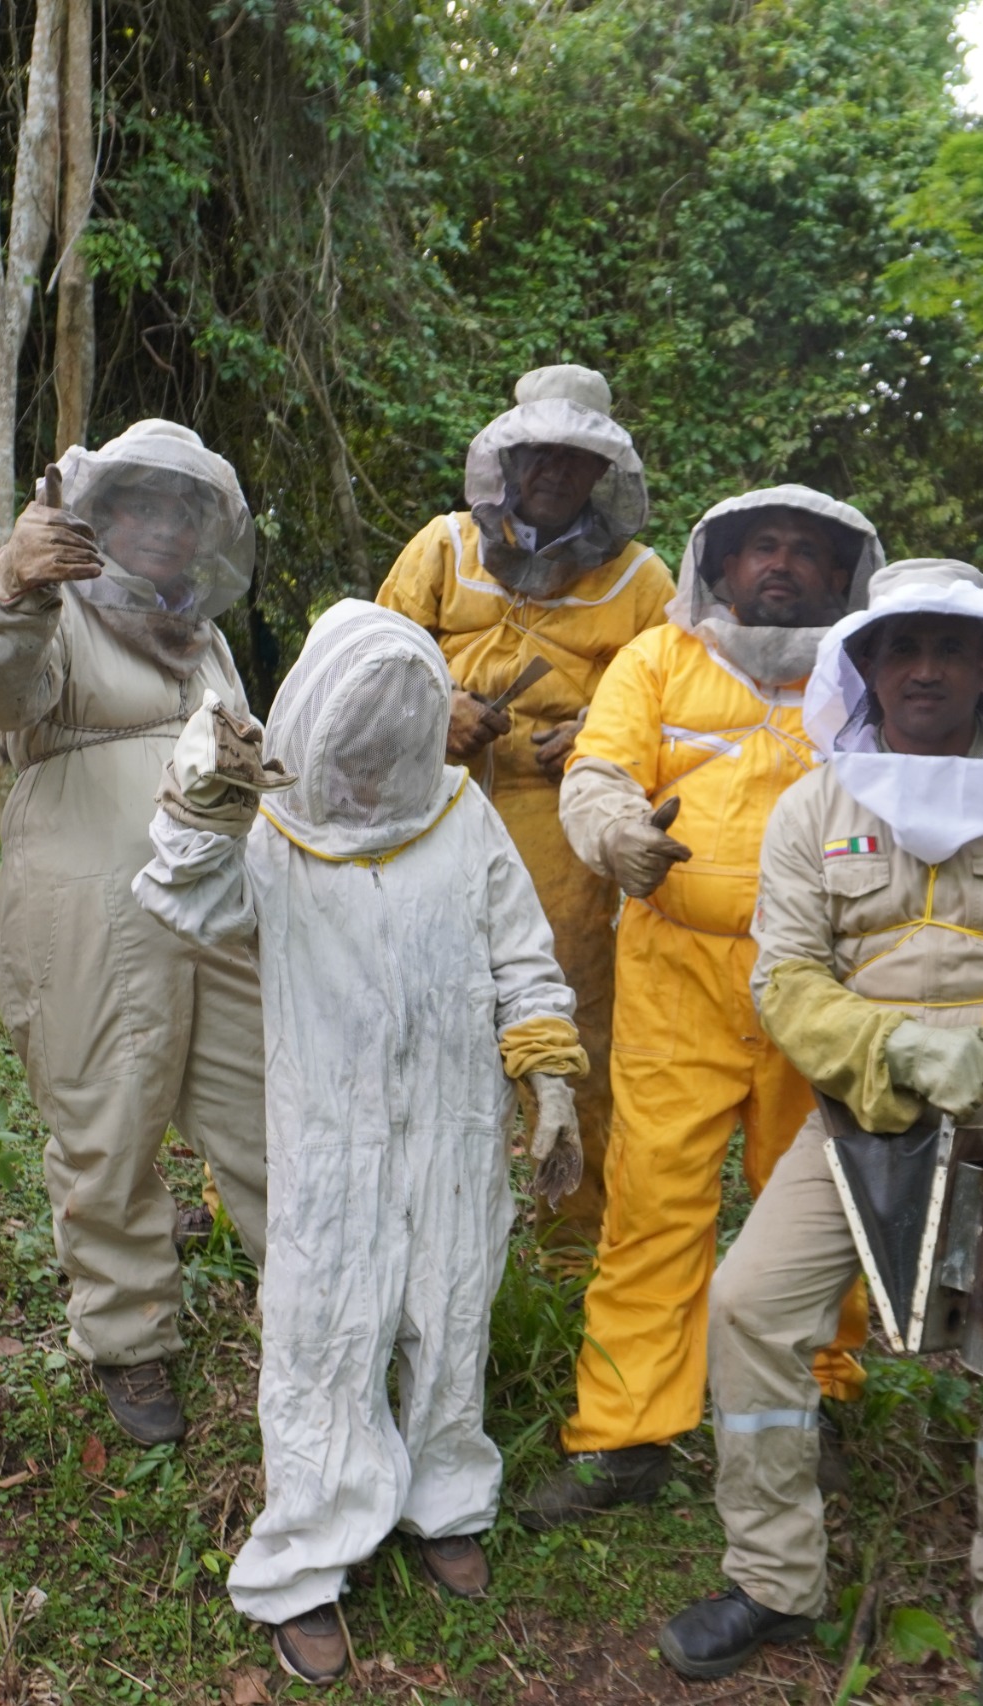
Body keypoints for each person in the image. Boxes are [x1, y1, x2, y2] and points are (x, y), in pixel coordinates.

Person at [657, 561, 983, 1700]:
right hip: (865, 1108)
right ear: (863, 667)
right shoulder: (817, 804)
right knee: (750, 1303)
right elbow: (787, 979)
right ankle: (773, 1576)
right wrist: (891, 1047)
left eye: (952, 648)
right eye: (900, 648)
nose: (925, 668)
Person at [132, 600, 589, 1686]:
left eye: (397, 747)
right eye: (358, 748)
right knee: (326, 1327)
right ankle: (309, 1556)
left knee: (450, 1303)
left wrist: (550, 1073)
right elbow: (187, 900)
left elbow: (522, 951)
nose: (378, 771)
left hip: (456, 1120)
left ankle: (445, 1497)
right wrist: (203, 803)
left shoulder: (461, 816)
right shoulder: (272, 830)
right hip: (329, 1127)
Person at [524, 485, 882, 1529]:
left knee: (815, 1200)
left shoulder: (863, 678)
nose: (780, 564)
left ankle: (812, 1407)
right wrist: (614, 834)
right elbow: (595, 772)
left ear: (838, 574)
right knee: (652, 1202)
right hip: (676, 973)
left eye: (804, 551)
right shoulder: (658, 659)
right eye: (760, 546)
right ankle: (626, 1439)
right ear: (717, 567)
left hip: (821, 983)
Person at [0, 420, 270, 1445]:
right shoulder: (58, 608)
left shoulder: (202, 632)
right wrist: (13, 590)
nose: (167, 526)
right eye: (143, 504)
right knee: (111, 1119)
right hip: (89, 903)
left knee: (264, 1101)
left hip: (215, 899)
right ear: (100, 513)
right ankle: (130, 1342)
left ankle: (318, 1303)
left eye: (188, 509)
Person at [374, 365, 672, 1238]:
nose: (551, 468)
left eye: (573, 457)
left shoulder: (645, 583)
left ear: (599, 473)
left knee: (567, 1009)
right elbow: (369, 662)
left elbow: (668, 703)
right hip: (425, 804)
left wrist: (599, 735)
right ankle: (409, 1212)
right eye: (536, 450)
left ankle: (573, 1240)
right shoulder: (441, 546)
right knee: (405, 1001)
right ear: (507, 458)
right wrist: (434, 711)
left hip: (559, 821)